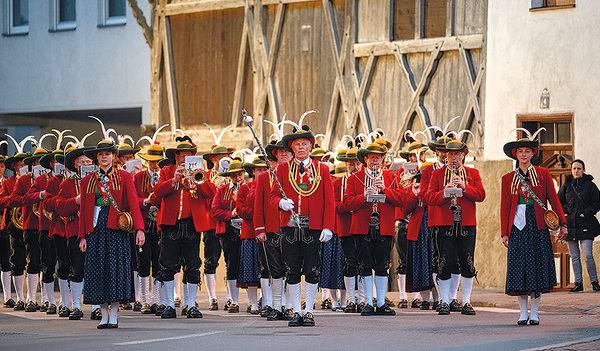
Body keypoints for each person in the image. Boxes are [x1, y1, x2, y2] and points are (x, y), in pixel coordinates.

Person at [269, 125, 335, 327]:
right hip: (289, 227)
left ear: (310, 146)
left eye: (304, 144)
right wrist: (281, 203)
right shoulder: (282, 169)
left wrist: (328, 227)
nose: (301, 148)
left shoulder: (322, 169)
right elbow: (272, 196)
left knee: (312, 270)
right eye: (297, 145)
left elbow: (329, 201)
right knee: (292, 270)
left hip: (313, 227)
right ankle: (296, 310)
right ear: (291, 148)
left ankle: (309, 311)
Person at [78, 140, 145, 328]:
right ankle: (103, 314)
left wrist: (139, 229)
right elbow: (84, 210)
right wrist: (82, 236)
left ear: (114, 156)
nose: (104, 157)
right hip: (95, 229)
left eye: (107, 153)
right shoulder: (87, 181)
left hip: (117, 228)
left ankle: (114, 315)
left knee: (116, 271)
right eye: (100, 154)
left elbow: (133, 203)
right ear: (96, 157)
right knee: (98, 271)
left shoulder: (124, 177)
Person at [501, 136, 567, 325]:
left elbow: (554, 200)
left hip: (537, 225)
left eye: (527, 151)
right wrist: (504, 232)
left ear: (533, 154)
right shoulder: (507, 179)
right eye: (520, 151)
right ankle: (523, 313)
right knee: (518, 271)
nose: (523, 154)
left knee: (537, 270)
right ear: (516, 154)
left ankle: (535, 313)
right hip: (516, 227)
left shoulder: (543, 174)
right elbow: (504, 207)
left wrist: (563, 223)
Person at [153, 137, 214, 319]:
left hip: (191, 224)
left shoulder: (199, 172)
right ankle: (170, 304)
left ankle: (190, 305)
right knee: (168, 264)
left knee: (193, 265)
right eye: (183, 155)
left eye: (189, 155)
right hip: (171, 224)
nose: (186, 158)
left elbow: (210, 193)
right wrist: (175, 179)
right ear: (176, 156)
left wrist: (199, 180)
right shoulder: (166, 171)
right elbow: (158, 191)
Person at [344, 141, 407, 316]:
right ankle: (367, 303)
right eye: (371, 158)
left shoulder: (391, 178)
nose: (374, 161)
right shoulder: (354, 178)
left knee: (382, 265)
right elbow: (347, 203)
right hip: (362, 227)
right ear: (365, 159)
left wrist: (385, 190)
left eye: (378, 158)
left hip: (384, 227)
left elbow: (402, 200)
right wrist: (364, 196)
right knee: (364, 265)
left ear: (382, 160)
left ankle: (380, 303)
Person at [425, 139, 486, 316]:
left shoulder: (472, 173)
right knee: (444, 262)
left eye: (457, 154)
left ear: (463, 155)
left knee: (467, 262)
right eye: (450, 154)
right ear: (445, 156)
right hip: (444, 223)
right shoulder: (437, 175)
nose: (453, 158)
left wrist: (464, 187)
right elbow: (429, 198)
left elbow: (481, 195)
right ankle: (444, 301)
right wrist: (445, 192)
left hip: (466, 223)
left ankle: (466, 301)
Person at [253, 140, 293, 321]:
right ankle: (277, 306)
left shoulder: (298, 175)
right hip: (271, 229)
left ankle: (291, 306)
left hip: (292, 228)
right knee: (275, 269)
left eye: (287, 151)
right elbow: (258, 205)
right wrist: (260, 229)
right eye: (280, 151)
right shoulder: (264, 177)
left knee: (291, 269)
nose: (284, 154)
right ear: (274, 155)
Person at [23, 149, 63, 314]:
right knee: (47, 264)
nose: (59, 164)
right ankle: (48, 301)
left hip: (65, 226)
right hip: (46, 226)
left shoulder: (70, 179)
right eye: (56, 161)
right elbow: (26, 199)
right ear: (51, 164)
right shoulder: (41, 179)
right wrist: (42, 194)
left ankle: (65, 302)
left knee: (65, 265)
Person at [56, 146, 93, 320]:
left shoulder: (99, 181)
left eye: (88, 162)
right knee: (76, 268)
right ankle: (76, 306)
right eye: (82, 163)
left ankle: (96, 307)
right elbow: (61, 208)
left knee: (95, 269)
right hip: (75, 231)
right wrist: (75, 200)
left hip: (96, 230)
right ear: (75, 166)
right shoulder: (67, 184)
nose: (86, 164)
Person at [10, 148, 49, 312]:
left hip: (48, 224)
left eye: (43, 161)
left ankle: (47, 300)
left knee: (47, 263)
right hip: (31, 224)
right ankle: (31, 299)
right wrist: (38, 195)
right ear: (33, 163)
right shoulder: (25, 179)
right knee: (32, 262)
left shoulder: (52, 179)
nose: (40, 163)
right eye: (37, 161)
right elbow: (14, 199)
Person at [210, 158, 247, 314]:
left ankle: (256, 301)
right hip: (230, 230)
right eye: (234, 175)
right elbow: (214, 211)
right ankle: (234, 301)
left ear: (244, 174)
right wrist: (230, 214)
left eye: (239, 174)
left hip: (248, 230)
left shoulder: (251, 188)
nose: (237, 178)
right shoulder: (222, 190)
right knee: (231, 265)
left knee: (252, 264)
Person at [558, 159, 600, 292]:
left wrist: (585, 213)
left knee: (587, 254)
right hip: (570, 225)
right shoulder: (566, 186)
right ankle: (578, 283)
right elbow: (558, 201)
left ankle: (594, 282)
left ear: (583, 170)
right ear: (571, 170)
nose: (576, 171)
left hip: (586, 223)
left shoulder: (590, 186)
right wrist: (564, 214)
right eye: (574, 168)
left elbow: (597, 203)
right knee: (574, 256)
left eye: (579, 168)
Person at [203, 143, 235, 310]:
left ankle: (230, 297)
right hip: (211, 224)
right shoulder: (206, 175)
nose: (225, 158)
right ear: (213, 159)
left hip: (229, 223)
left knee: (231, 261)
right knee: (211, 261)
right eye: (221, 156)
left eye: (226, 156)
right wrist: (213, 185)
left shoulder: (233, 175)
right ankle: (212, 297)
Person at [133, 143, 164, 313]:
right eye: (152, 161)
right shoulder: (138, 177)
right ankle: (144, 300)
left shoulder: (165, 176)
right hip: (144, 223)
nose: (155, 164)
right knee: (143, 262)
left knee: (159, 262)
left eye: (158, 161)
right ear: (147, 162)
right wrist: (145, 201)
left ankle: (155, 301)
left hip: (160, 224)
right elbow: (132, 199)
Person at [333, 147, 364, 313]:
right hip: (345, 227)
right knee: (350, 262)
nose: (355, 167)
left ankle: (364, 298)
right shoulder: (338, 183)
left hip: (363, 225)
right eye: (352, 164)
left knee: (364, 262)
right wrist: (351, 204)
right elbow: (335, 206)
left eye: (357, 163)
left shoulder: (365, 180)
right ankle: (351, 300)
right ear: (346, 164)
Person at [236, 157, 268, 314]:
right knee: (250, 271)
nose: (262, 172)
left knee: (268, 269)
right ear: (253, 171)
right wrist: (259, 214)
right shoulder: (245, 188)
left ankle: (266, 302)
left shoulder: (271, 187)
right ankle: (253, 303)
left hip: (267, 233)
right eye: (259, 169)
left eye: (264, 169)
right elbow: (240, 210)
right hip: (249, 233)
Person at [0, 155, 16, 309]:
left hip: (3, 227)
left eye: (1, 166)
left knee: (6, 261)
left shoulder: (7, 183)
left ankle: (7, 297)